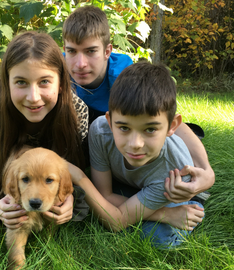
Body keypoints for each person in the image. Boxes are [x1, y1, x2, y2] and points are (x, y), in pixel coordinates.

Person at [0, 5, 214, 212]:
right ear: (64, 52)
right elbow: (9, 80)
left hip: (100, 129)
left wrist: (207, 173)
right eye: (72, 51)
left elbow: (167, 121)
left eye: (91, 51)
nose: (80, 64)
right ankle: (2, 186)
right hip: (83, 129)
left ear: (108, 50)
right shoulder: (56, 66)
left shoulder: (123, 77)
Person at [0, 31, 90, 227]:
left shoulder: (76, 112)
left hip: (46, 169)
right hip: (3, 160)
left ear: (61, 84)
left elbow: (69, 173)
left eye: (44, 81)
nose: (33, 97)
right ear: (6, 83)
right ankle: (6, 187)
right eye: (21, 82)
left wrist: (69, 196)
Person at [67, 62, 206, 247]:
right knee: (98, 205)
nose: (135, 144)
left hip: (164, 186)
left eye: (150, 129)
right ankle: (145, 203)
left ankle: (192, 206)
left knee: (157, 238)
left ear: (172, 126)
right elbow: (104, 194)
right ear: (110, 121)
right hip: (131, 182)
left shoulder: (175, 171)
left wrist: (79, 176)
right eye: (124, 127)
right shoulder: (100, 131)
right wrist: (165, 214)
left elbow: (116, 221)